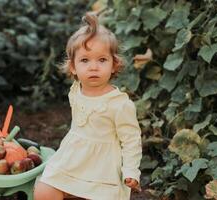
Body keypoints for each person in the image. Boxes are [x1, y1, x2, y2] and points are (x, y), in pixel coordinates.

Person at [34, 12, 142, 200]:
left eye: (102, 60)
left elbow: (131, 140)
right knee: (44, 191)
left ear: (114, 65)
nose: (93, 67)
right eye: (85, 60)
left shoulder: (120, 104)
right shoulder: (76, 90)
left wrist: (131, 171)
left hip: (103, 169)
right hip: (72, 160)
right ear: (73, 67)